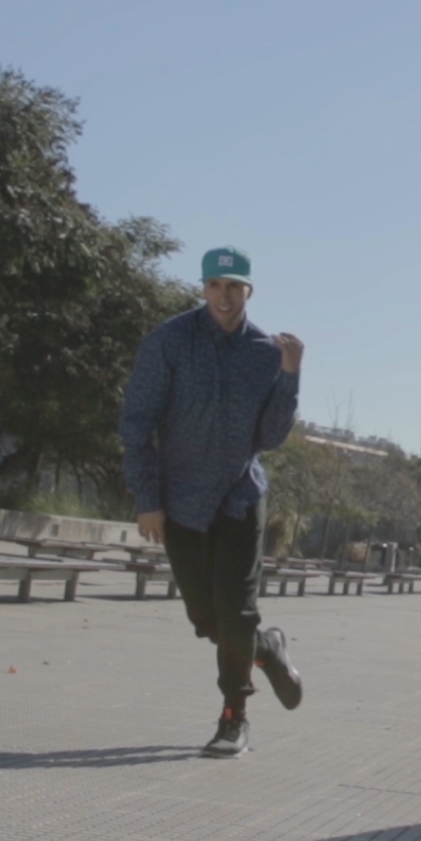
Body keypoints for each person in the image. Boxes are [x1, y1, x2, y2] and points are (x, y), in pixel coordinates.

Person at [119, 246, 306, 759]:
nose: (224, 296)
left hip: (240, 499)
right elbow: (137, 423)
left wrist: (290, 375)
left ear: (249, 290)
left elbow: (270, 437)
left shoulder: (266, 352)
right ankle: (266, 648)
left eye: (234, 286)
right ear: (203, 287)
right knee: (207, 619)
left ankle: (233, 716)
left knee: (236, 613)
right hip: (181, 502)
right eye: (215, 285)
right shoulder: (169, 341)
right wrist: (147, 499)